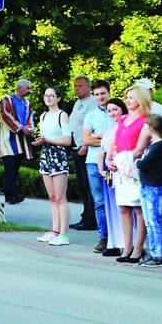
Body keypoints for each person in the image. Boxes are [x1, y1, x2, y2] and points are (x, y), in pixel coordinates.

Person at [106, 86, 152, 264]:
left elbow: (140, 147)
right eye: (126, 97)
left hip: (134, 166)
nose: (127, 100)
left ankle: (139, 247)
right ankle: (127, 246)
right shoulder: (122, 118)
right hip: (119, 165)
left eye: (131, 97)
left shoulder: (145, 120)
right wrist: (110, 158)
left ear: (140, 98)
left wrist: (123, 160)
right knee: (124, 207)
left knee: (138, 208)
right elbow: (115, 140)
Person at [33, 87, 72, 246]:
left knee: (61, 197)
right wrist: (40, 141)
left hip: (58, 156)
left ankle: (64, 234)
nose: (48, 98)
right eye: (46, 95)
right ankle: (54, 231)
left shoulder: (62, 115)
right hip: (46, 155)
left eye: (52, 95)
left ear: (58, 98)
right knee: (52, 197)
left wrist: (48, 140)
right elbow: (45, 137)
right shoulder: (43, 116)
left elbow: (67, 141)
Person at [82, 80, 115, 253]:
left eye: (103, 93)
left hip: (113, 162)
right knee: (99, 202)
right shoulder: (91, 115)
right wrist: (106, 138)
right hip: (93, 162)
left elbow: (119, 139)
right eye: (96, 94)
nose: (100, 97)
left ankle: (119, 236)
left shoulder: (116, 113)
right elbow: (86, 140)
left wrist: (98, 137)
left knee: (117, 202)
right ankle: (104, 237)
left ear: (109, 92)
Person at [136, 114, 162, 268]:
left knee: (155, 221)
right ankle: (153, 252)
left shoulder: (160, 146)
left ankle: (159, 255)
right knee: (149, 221)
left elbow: (143, 163)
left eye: (145, 126)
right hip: (146, 185)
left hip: (154, 187)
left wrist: (137, 162)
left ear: (151, 128)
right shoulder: (152, 144)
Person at [96, 99, 128, 257]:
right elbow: (101, 152)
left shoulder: (126, 128)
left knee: (124, 208)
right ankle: (114, 242)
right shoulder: (109, 131)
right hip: (109, 174)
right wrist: (101, 169)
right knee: (110, 208)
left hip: (123, 172)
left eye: (115, 109)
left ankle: (127, 243)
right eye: (109, 110)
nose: (112, 113)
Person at [68, 76, 99, 231]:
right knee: (82, 185)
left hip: (85, 148)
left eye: (80, 86)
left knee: (88, 185)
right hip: (76, 147)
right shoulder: (77, 103)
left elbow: (93, 126)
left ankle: (92, 218)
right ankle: (85, 215)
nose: (76, 88)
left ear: (88, 87)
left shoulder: (92, 103)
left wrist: (85, 145)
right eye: (75, 86)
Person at [0, 80, 34, 204]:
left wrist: (30, 129)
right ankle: (10, 195)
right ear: (20, 88)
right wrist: (20, 128)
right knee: (9, 166)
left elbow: (30, 118)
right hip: (7, 140)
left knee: (15, 167)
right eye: (27, 88)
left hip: (20, 141)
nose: (29, 90)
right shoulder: (7, 100)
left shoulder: (27, 103)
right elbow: (5, 115)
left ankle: (13, 193)